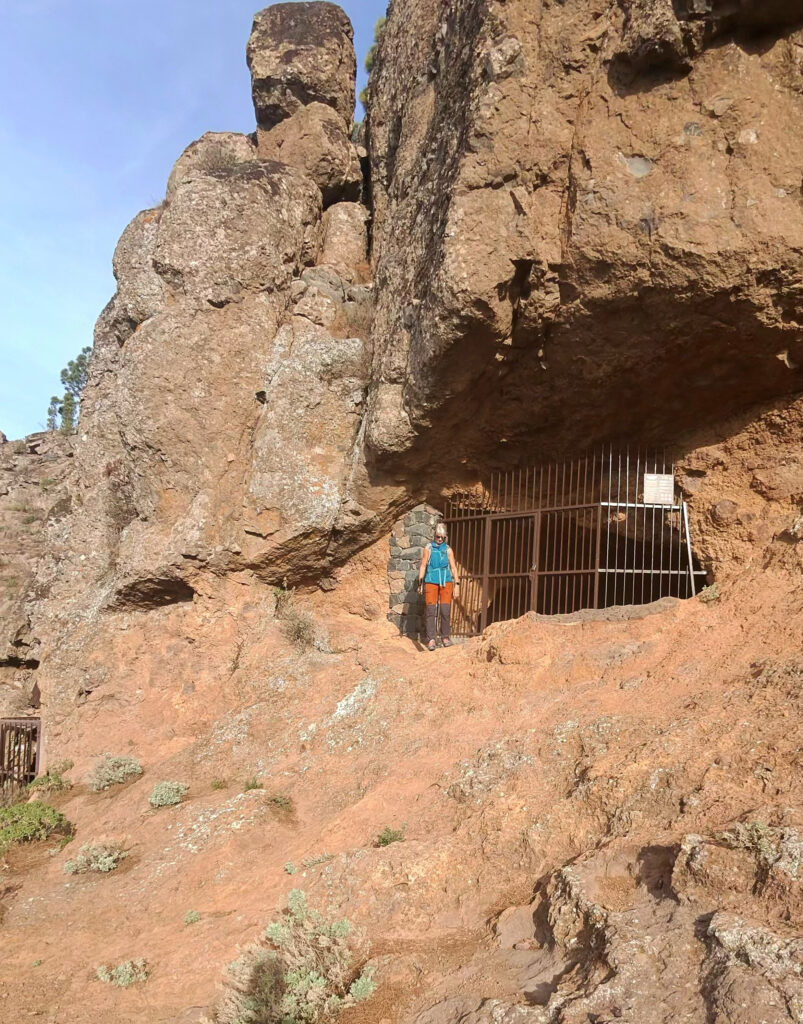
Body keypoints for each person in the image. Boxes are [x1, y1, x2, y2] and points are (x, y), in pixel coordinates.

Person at [417, 523, 459, 651]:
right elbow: (423, 565)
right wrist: (420, 583)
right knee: (431, 611)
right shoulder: (428, 548)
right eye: (437, 536)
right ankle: (431, 639)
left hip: (446, 581)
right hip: (431, 580)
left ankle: (445, 637)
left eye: (441, 537)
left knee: (445, 610)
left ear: (445, 537)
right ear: (434, 535)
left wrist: (457, 584)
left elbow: (453, 567)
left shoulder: (448, 550)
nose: (439, 539)